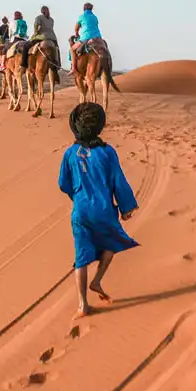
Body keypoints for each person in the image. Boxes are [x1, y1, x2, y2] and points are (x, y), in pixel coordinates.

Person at [58, 102, 139, 319]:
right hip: (104, 210)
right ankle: (97, 280)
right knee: (113, 242)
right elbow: (118, 181)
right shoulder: (108, 152)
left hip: (81, 213)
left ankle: (82, 305)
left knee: (81, 257)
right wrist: (126, 207)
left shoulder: (70, 153)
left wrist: (77, 196)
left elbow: (63, 183)